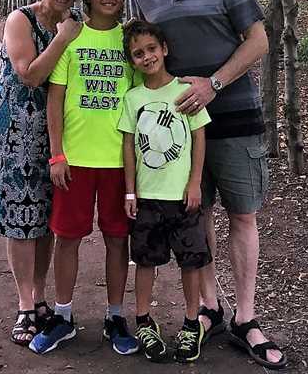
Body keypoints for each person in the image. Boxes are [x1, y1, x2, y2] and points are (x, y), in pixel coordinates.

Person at [129, 0, 286, 370]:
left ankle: (246, 317)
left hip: (234, 115)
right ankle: (208, 309)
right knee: (198, 215)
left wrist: (214, 84)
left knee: (242, 214)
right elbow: (140, 49)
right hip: (175, 127)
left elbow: (258, 39)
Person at [30, 0, 139, 357]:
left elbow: (142, 98)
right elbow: (54, 101)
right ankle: (62, 315)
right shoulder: (71, 37)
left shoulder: (131, 42)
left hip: (117, 162)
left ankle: (115, 316)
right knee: (68, 238)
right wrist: (58, 154)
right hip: (74, 161)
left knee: (116, 239)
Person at [0, 0, 86, 346]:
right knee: (21, 215)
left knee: (46, 217)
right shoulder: (20, 19)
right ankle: (26, 304)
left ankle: (40, 296)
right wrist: (61, 38)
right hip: (15, 129)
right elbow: (28, 75)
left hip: (57, 132)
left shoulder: (77, 25)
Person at [119, 18, 211, 364]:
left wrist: (194, 183)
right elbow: (128, 147)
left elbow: (199, 137)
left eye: (151, 49)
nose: (146, 57)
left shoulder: (184, 92)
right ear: (132, 60)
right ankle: (144, 320)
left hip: (182, 197)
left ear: (164, 49)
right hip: (147, 197)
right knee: (145, 260)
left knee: (191, 261)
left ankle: (191, 323)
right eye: (138, 53)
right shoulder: (133, 99)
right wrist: (130, 191)